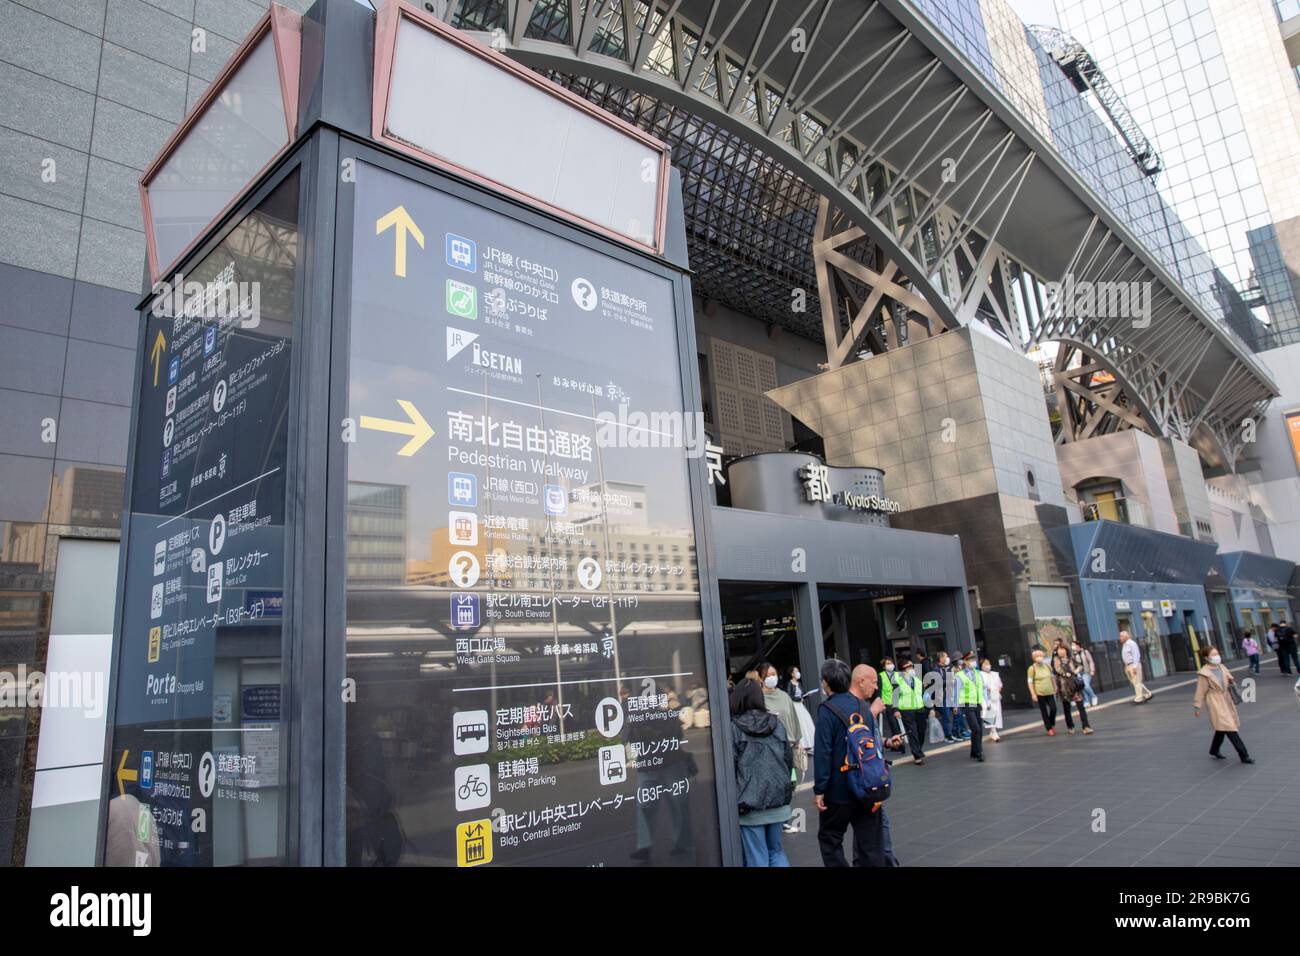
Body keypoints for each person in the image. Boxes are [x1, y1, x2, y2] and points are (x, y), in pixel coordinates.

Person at [813, 660, 899, 867]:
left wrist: (820, 789)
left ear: (827, 682)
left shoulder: (827, 710)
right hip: (866, 786)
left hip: (839, 790)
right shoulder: (864, 708)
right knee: (871, 843)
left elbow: (823, 752)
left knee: (830, 838)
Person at [730, 678, 795, 865]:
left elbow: (732, 766)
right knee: (776, 851)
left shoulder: (734, 729)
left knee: (757, 856)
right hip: (778, 800)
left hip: (749, 805)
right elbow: (788, 759)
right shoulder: (777, 724)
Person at [1193, 646, 1254, 764]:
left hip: (1226, 699)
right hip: (1215, 702)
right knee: (1230, 727)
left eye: (1217, 654)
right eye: (1213, 655)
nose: (1217, 657)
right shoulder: (1204, 673)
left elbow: (1229, 679)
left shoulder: (1222, 667)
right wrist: (1197, 706)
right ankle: (1244, 755)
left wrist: (1231, 680)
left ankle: (1214, 750)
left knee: (1221, 728)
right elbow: (1200, 691)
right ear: (1206, 658)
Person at [1052, 643, 1093, 735]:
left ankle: (1086, 726)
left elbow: (1080, 665)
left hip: (1074, 686)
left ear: (1066, 650)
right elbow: (1058, 669)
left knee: (1081, 707)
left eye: (1062, 649)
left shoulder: (1071, 658)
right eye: (1059, 650)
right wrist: (1066, 673)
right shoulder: (1056, 660)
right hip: (1064, 687)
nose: (1061, 651)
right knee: (1067, 708)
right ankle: (1070, 726)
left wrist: (1076, 671)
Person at [893, 658, 928, 764]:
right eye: (909, 667)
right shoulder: (898, 680)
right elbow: (894, 696)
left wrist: (930, 707)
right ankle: (917, 755)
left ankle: (918, 749)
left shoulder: (917, 679)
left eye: (912, 666)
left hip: (920, 709)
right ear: (903, 669)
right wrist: (895, 709)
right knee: (913, 733)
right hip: (907, 710)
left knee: (921, 731)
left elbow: (924, 694)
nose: (912, 669)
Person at [956, 652, 984, 761]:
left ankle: (974, 751)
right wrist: (956, 706)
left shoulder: (977, 673)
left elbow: (980, 688)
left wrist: (982, 701)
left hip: (977, 703)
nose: (974, 662)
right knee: (975, 728)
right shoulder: (960, 675)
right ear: (966, 662)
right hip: (967, 704)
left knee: (978, 729)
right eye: (971, 660)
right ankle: (979, 752)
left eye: (974, 660)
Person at [1027, 647, 1058, 735]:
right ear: (1034, 658)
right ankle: (1048, 728)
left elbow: (1052, 677)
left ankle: (1051, 723)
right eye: (1037, 656)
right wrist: (1033, 694)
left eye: (1040, 656)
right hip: (1040, 692)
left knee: (1053, 708)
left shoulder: (1047, 666)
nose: (1039, 657)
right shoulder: (1032, 668)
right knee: (1044, 710)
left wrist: (1055, 686)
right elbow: (1030, 682)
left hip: (1049, 690)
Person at [1120, 630, 1153, 703]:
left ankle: (1139, 698)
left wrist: (1134, 666)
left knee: (1137, 682)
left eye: (1121, 636)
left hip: (1133, 665)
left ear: (1126, 636)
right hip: (1128, 666)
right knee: (1135, 682)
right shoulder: (1125, 645)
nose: (1120, 638)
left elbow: (1136, 655)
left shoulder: (1131, 644)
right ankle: (1147, 694)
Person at [980, 658, 1003, 742]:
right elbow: (982, 686)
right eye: (985, 664)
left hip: (996, 696)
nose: (987, 665)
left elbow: (1000, 684)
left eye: (988, 663)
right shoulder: (980, 674)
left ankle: (993, 731)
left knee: (997, 713)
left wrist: (997, 691)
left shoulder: (995, 674)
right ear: (981, 666)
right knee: (990, 713)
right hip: (987, 697)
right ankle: (993, 731)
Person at [1070, 638, 1099, 707]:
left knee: (1086, 685)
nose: (1072, 646)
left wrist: (1092, 670)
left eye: (1073, 645)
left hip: (1086, 671)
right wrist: (1074, 671)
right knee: (1082, 687)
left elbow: (1090, 661)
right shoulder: (1073, 654)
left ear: (1078, 645)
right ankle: (1086, 701)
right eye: (1072, 645)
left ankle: (1093, 696)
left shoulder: (1085, 652)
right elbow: (1072, 664)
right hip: (1078, 673)